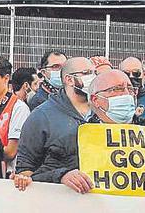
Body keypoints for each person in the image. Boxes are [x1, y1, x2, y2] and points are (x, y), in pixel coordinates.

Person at [18, 70, 145, 199]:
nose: (126, 94)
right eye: (116, 89)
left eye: (130, 89)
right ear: (95, 100)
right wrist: (62, 175)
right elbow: (38, 177)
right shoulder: (76, 138)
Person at [13, 57, 96, 187]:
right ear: (69, 79)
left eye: (94, 73)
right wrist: (60, 176)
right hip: (56, 201)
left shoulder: (103, 111)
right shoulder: (41, 116)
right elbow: (25, 171)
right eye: (86, 73)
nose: (93, 78)